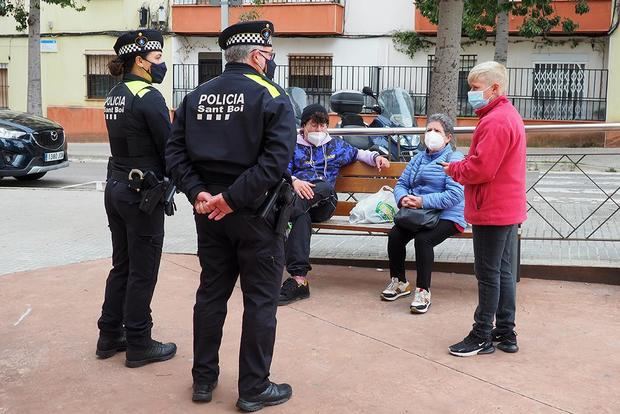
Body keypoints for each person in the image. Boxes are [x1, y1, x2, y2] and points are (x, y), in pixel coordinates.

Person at [165, 21, 297, 412]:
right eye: (270, 54)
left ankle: (203, 380)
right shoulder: (273, 96)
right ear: (258, 55)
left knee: (210, 294)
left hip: (209, 214)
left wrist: (200, 194)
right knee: (260, 301)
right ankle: (254, 388)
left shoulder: (195, 97)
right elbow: (274, 163)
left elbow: (174, 154)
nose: (271, 61)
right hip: (255, 214)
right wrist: (232, 199)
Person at [96, 30, 177, 368]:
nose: (161, 65)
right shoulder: (148, 96)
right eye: (157, 59)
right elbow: (169, 147)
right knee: (143, 270)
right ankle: (140, 342)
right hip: (142, 193)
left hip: (116, 188)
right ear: (140, 61)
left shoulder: (114, 94)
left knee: (123, 265)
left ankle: (109, 334)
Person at [443, 61, 526, 357]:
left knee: (488, 273)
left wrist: (454, 168)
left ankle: (481, 335)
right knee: (502, 271)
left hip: (492, 207)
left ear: (495, 88)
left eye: (476, 88)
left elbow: (481, 168)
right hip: (505, 206)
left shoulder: (495, 120)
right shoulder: (507, 115)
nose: (471, 94)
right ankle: (505, 331)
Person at [278, 104, 390, 305]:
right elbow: (282, 172)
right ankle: (299, 280)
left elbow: (359, 154)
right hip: (299, 203)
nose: (319, 130)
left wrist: (376, 157)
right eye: (314, 125)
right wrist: (295, 181)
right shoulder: (291, 146)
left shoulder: (335, 146)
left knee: (322, 187)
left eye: (322, 125)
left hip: (324, 202)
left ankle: (285, 220)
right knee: (300, 216)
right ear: (303, 126)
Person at [381, 113, 466, 314]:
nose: (431, 134)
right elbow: (401, 184)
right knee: (395, 235)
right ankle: (400, 282)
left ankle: (423, 290)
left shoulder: (454, 158)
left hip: (448, 214)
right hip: (418, 213)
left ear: (448, 138)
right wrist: (403, 199)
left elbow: (454, 194)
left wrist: (422, 201)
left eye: (437, 131)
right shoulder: (418, 158)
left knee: (423, 240)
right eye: (429, 130)